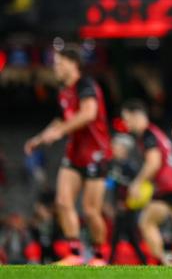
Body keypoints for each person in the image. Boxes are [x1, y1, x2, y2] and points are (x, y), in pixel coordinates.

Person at [24, 44, 111, 266]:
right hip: (75, 153)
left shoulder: (86, 85)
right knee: (63, 202)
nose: (56, 68)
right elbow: (60, 121)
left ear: (74, 64)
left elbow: (89, 113)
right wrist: (39, 139)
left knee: (91, 211)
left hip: (96, 153)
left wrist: (61, 132)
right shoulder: (64, 91)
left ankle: (100, 256)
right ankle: (74, 253)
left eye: (60, 63)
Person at [120, 99, 172, 265]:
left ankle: (162, 262)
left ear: (137, 116)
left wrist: (137, 183)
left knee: (146, 222)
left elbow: (153, 163)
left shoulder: (148, 135)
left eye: (127, 119)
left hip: (167, 187)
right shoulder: (155, 132)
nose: (126, 125)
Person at [106, 133, 148, 265]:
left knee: (131, 237)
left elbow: (139, 189)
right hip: (118, 209)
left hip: (130, 209)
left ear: (124, 148)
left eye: (116, 146)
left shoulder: (131, 167)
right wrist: (109, 204)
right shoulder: (113, 166)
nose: (113, 149)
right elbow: (111, 186)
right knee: (117, 237)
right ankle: (111, 263)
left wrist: (127, 204)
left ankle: (144, 262)